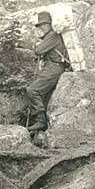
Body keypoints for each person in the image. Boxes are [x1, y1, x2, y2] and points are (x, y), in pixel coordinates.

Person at [26, 11, 69, 145]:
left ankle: (41, 122)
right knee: (43, 96)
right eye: (40, 25)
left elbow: (39, 51)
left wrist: (35, 46)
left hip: (54, 68)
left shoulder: (53, 36)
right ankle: (39, 130)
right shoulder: (50, 36)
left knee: (33, 90)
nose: (42, 27)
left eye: (44, 24)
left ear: (50, 24)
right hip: (52, 68)